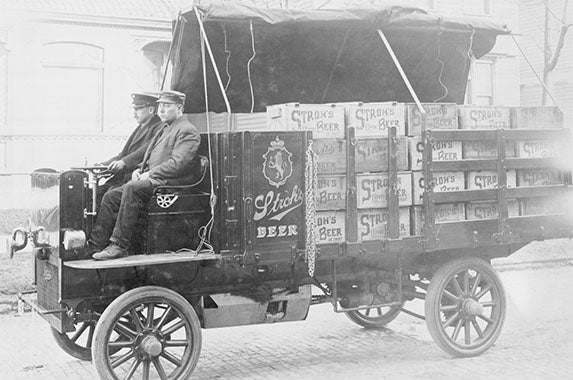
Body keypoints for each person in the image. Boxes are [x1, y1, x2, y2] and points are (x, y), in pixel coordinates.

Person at [90, 90, 201, 260]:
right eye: (160, 106)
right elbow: (150, 157)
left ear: (179, 108)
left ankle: (119, 245)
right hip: (154, 178)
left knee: (132, 188)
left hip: (168, 182)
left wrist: (149, 174)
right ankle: (95, 245)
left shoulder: (187, 130)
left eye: (167, 106)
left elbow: (178, 164)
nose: (161, 110)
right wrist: (139, 169)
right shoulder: (165, 129)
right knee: (111, 196)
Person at [97, 92, 163, 199]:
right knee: (96, 193)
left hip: (136, 176)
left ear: (151, 110)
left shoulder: (159, 127)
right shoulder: (141, 127)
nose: (134, 113)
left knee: (109, 196)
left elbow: (144, 150)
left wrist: (124, 162)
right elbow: (124, 154)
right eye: (134, 109)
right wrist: (101, 165)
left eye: (138, 109)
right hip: (125, 176)